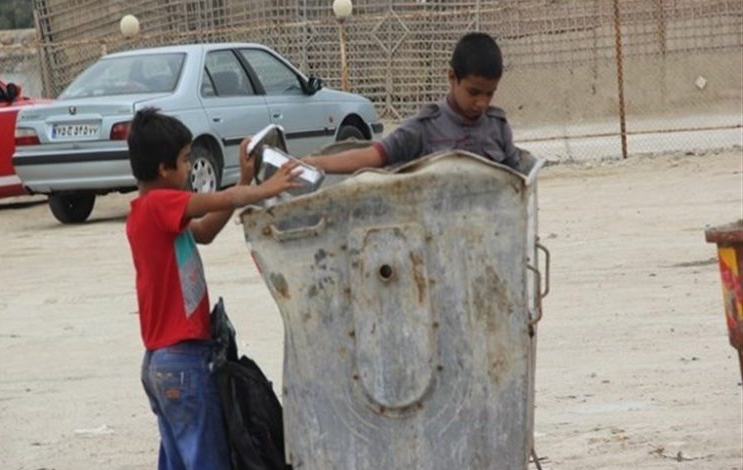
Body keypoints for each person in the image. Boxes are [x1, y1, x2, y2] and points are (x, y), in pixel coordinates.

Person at [125, 108, 301, 470]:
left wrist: (247, 182)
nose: (190, 168)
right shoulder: (157, 205)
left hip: (163, 364)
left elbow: (204, 231)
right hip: (182, 362)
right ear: (163, 169)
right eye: (186, 160)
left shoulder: (154, 215)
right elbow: (218, 201)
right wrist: (263, 190)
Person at [303, 32, 521, 173]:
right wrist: (314, 164)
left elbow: (519, 181)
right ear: (452, 78)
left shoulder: (498, 126)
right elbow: (372, 155)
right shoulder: (424, 128)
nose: (482, 103)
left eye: (489, 94)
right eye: (474, 92)